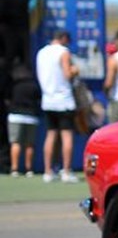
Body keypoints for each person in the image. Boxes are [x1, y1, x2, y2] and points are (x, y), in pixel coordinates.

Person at [36, 30, 79, 182]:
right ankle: (66, 171)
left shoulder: (41, 53)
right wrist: (75, 70)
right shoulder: (63, 52)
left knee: (51, 135)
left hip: (48, 100)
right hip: (64, 100)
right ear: (63, 38)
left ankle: (48, 171)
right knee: (67, 136)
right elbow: (68, 74)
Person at [6, 64, 39, 176]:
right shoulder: (33, 85)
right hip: (31, 117)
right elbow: (38, 99)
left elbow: (7, 99)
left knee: (15, 142)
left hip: (15, 116)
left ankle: (14, 169)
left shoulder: (13, 85)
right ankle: (28, 169)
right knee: (29, 144)